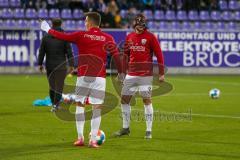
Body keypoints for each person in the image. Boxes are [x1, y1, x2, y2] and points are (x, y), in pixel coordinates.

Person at [40, 12, 123, 148]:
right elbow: (117, 56)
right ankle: (93, 140)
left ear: (89, 23)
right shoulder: (107, 38)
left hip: (83, 76)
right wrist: (120, 73)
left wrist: (47, 29)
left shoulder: (81, 35)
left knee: (80, 105)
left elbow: (62, 36)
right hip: (99, 77)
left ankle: (80, 138)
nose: (85, 24)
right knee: (97, 108)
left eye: (85, 21)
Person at [113, 14, 165, 139]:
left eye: (143, 25)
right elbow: (125, 55)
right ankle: (126, 128)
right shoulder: (129, 36)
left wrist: (161, 73)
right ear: (135, 25)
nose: (141, 28)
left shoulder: (151, 37)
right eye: (139, 25)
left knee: (146, 100)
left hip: (145, 75)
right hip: (131, 74)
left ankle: (148, 130)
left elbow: (159, 54)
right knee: (124, 100)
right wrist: (122, 72)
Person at [38, 18, 74, 112]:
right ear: (61, 24)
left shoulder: (46, 37)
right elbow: (69, 52)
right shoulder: (64, 36)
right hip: (61, 65)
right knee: (59, 86)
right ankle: (55, 105)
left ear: (52, 24)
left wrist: (40, 64)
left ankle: (54, 105)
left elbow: (41, 52)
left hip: (49, 65)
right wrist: (72, 65)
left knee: (52, 85)